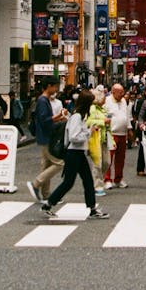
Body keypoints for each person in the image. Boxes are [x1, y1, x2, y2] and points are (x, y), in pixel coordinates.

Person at [41, 92, 109, 220]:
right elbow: (73, 137)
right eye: (90, 103)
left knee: (86, 180)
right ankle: (49, 204)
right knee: (69, 182)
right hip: (73, 152)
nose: (92, 105)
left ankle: (92, 209)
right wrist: (89, 132)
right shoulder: (77, 117)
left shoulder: (79, 116)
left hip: (78, 152)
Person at [26, 79, 67, 202]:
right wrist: (59, 117)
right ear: (49, 86)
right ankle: (36, 184)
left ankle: (47, 195)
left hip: (45, 136)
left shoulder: (43, 100)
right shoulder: (43, 101)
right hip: (47, 136)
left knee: (46, 165)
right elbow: (45, 120)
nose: (56, 90)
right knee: (59, 163)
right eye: (55, 87)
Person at [104, 82, 131, 188]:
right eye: (120, 93)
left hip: (122, 133)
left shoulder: (123, 101)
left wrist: (129, 128)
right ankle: (107, 179)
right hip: (111, 133)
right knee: (109, 158)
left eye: (122, 92)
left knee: (121, 158)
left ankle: (118, 178)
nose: (122, 94)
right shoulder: (106, 101)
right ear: (113, 92)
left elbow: (127, 115)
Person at [87, 86, 110, 192]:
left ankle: (99, 180)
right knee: (97, 163)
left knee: (106, 162)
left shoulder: (102, 109)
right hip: (95, 138)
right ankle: (98, 185)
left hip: (104, 137)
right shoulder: (92, 109)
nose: (105, 99)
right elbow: (89, 122)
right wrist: (103, 122)